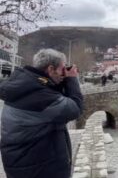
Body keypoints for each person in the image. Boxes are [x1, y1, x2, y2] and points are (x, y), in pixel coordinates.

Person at [0, 49, 83, 178]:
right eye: (62, 69)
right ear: (51, 69)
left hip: (24, 163)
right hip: (38, 168)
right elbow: (75, 109)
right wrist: (72, 79)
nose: (64, 73)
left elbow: (56, 99)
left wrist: (62, 80)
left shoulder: (27, 85)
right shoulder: (40, 96)